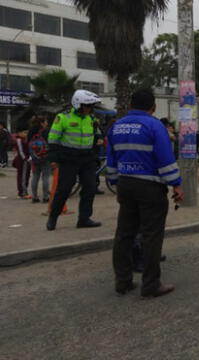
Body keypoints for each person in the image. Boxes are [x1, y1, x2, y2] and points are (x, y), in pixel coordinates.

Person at [107, 89, 184, 298]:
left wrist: (116, 183)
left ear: (131, 105)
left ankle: (122, 281)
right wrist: (176, 184)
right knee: (151, 236)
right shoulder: (154, 125)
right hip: (150, 188)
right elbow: (166, 160)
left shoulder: (116, 126)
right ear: (153, 107)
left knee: (124, 234)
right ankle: (150, 285)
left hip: (125, 185)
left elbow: (111, 161)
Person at [46, 89, 102, 231]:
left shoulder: (91, 119)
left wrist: (97, 142)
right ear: (78, 104)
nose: (90, 109)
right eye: (87, 106)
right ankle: (53, 217)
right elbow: (53, 139)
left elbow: (96, 135)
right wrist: (53, 158)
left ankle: (84, 219)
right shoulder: (63, 117)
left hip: (87, 158)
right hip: (69, 158)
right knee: (64, 189)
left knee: (90, 188)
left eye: (91, 106)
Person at [28, 115, 51, 203]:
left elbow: (28, 143)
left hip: (34, 157)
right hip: (45, 156)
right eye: (45, 122)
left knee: (35, 176)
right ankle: (45, 197)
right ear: (42, 123)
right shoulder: (46, 131)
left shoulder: (31, 131)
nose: (47, 123)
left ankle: (34, 197)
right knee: (45, 177)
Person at [13, 128, 31, 199]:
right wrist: (26, 159)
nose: (26, 134)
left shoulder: (25, 139)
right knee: (22, 176)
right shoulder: (19, 140)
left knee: (26, 175)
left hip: (26, 160)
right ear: (19, 133)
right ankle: (22, 193)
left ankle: (24, 191)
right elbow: (21, 151)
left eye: (27, 133)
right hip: (22, 161)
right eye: (24, 132)